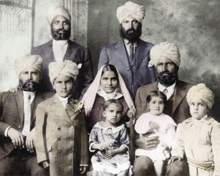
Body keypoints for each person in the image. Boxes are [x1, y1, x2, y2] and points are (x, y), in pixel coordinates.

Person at [134, 42, 192, 175]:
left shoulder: (190, 91)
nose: (164, 68)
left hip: (179, 150)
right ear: (155, 66)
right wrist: (138, 141)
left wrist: (178, 148)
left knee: (176, 169)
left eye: (169, 63)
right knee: (140, 166)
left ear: (176, 65)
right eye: (160, 64)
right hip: (149, 149)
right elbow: (135, 127)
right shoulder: (142, 92)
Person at [0, 55, 53, 175]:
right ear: (19, 75)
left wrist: (39, 130)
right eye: (25, 73)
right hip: (9, 153)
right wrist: (8, 130)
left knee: (40, 173)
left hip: (36, 154)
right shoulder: (5, 96)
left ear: (40, 76)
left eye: (34, 73)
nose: (29, 77)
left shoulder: (50, 98)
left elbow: (60, 120)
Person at [35, 60, 88, 175]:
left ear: (73, 83)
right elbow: (39, 134)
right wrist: (42, 156)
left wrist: (84, 160)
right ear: (53, 84)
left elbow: (83, 134)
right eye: (59, 82)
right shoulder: (44, 106)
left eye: (67, 82)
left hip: (73, 155)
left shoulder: (78, 105)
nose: (63, 86)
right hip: (53, 155)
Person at [31, 6, 94, 99]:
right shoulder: (37, 51)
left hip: (73, 105)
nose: (61, 27)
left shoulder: (82, 51)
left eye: (65, 23)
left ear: (70, 26)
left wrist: (80, 103)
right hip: (44, 104)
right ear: (51, 25)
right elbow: (31, 79)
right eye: (57, 23)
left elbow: (89, 82)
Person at [98, 1, 156, 100]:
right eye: (126, 22)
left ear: (140, 24)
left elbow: (157, 80)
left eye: (134, 22)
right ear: (121, 25)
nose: (130, 26)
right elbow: (100, 83)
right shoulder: (108, 51)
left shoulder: (151, 49)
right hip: (118, 104)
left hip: (146, 103)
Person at [170, 83, 220, 176]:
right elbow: (179, 143)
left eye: (200, 104)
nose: (195, 108)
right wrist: (177, 153)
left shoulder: (214, 126)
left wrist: (217, 173)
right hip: (190, 169)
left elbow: (218, 153)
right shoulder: (184, 125)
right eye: (192, 104)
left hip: (208, 171)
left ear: (207, 107)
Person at [81, 64, 135, 133]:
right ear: (99, 80)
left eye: (113, 79)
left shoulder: (124, 101)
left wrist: (129, 117)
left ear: (118, 80)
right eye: (105, 79)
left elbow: (128, 128)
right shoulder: (92, 100)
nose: (109, 83)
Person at [135, 90, 176, 176]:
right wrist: (148, 124)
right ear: (148, 104)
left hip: (160, 148)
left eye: (160, 103)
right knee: (142, 166)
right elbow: (138, 128)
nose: (157, 106)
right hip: (146, 149)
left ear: (164, 105)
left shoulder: (167, 119)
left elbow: (171, 134)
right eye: (153, 102)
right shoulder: (144, 117)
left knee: (159, 163)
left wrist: (168, 144)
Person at [88, 99, 130, 176]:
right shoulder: (98, 127)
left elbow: (125, 145)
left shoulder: (121, 128)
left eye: (118, 112)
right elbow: (92, 143)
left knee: (121, 170)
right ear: (104, 113)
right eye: (111, 111)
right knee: (101, 170)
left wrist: (115, 152)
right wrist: (98, 146)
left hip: (118, 156)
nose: (114, 115)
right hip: (102, 157)